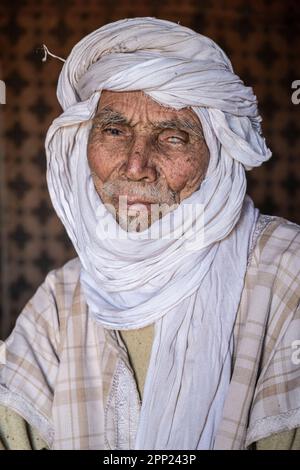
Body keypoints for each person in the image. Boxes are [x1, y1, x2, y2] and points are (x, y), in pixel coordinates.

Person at [0, 17, 299, 450]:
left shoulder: (285, 272)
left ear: (217, 154)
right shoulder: (64, 296)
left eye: (174, 137)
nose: (136, 165)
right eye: (115, 131)